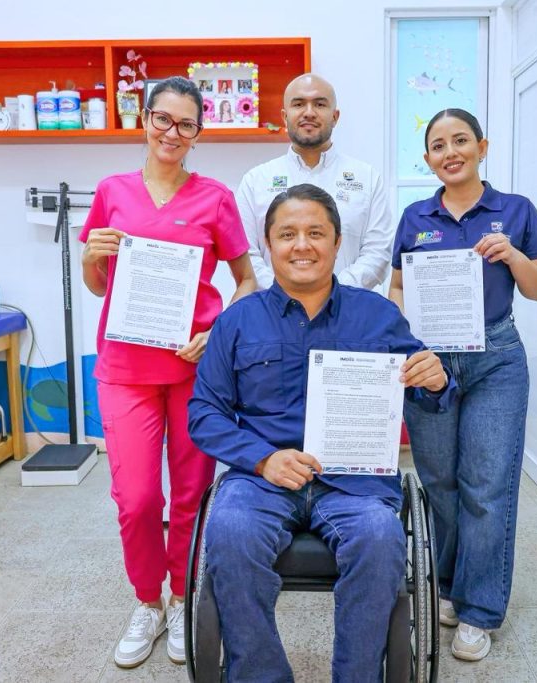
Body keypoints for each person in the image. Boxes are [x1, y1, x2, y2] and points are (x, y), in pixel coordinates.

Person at [188, 184, 456, 681]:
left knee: (380, 537)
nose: (302, 245)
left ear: (337, 242)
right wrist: (264, 459)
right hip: (262, 478)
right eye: (287, 234)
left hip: (356, 482)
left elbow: (425, 392)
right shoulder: (237, 322)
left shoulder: (378, 315)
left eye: (315, 233)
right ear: (268, 245)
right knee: (230, 530)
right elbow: (205, 413)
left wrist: (435, 379)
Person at [80, 75, 257, 669]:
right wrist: (90, 258)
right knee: (136, 499)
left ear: (198, 133)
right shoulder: (112, 191)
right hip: (125, 369)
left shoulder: (215, 198)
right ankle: (146, 601)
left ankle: (182, 598)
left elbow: (247, 280)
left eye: (186, 124)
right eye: (163, 119)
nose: (172, 133)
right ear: (145, 120)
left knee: (190, 494)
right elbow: (98, 285)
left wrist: (218, 333)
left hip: (193, 372)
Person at [389, 108, 537, 661]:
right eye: (438, 145)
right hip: (430, 360)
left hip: (496, 359)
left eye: (460, 140)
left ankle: (479, 610)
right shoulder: (415, 216)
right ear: (428, 158)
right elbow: (397, 289)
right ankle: (448, 583)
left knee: (486, 483)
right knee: (439, 481)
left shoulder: (516, 211)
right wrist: (404, 341)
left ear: (482, 147)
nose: (450, 152)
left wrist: (513, 255)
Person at [236, 73, 393, 290]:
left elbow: (378, 252)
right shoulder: (255, 181)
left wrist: (333, 293)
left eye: (319, 104)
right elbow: (246, 254)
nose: (309, 112)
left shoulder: (367, 179)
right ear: (284, 116)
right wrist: (283, 294)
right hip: (273, 307)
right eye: (299, 104)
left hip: (349, 305)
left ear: (335, 116)